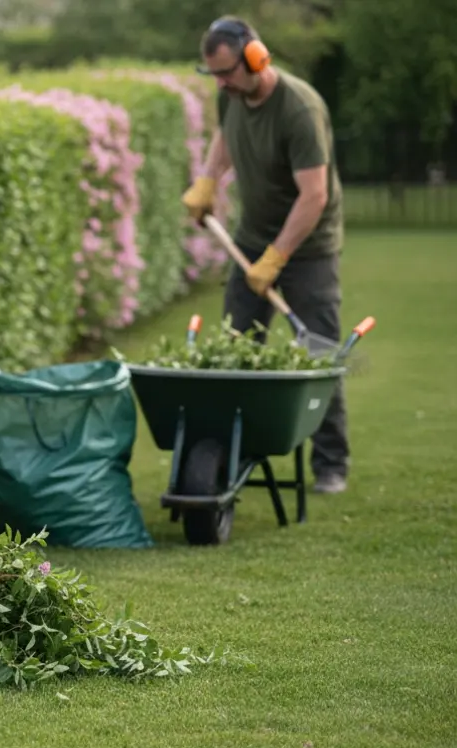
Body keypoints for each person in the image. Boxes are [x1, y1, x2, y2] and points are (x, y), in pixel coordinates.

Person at [181, 16, 350, 494]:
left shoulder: (299, 109)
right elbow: (226, 136)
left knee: (318, 353)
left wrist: (277, 258)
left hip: (309, 248)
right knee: (235, 349)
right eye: (213, 74)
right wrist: (209, 181)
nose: (221, 83)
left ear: (256, 59)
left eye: (228, 72)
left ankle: (332, 464)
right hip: (251, 238)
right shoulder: (229, 93)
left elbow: (313, 196)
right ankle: (232, 455)